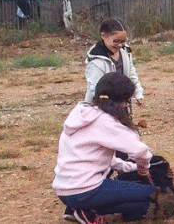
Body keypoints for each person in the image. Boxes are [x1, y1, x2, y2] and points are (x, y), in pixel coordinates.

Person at [54, 72, 155, 223]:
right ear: (120, 101)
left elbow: (96, 158)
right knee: (153, 194)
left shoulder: (82, 114)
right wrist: (143, 167)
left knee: (140, 202)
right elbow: (140, 151)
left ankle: (84, 210)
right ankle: (88, 211)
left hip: (65, 189)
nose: (126, 105)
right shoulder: (105, 121)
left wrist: (128, 167)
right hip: (85, 190)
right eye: (126, 101)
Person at [85, 19, 144, 106]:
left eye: (123, 41)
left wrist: (138, 93)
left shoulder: (125, 52)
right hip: (101, 108)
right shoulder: (96, 62)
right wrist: (113, 104)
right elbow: (95, 90)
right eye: (116, 41)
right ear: (103, 36)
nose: (120, 45)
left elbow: (131, 74)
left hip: (121, 104)